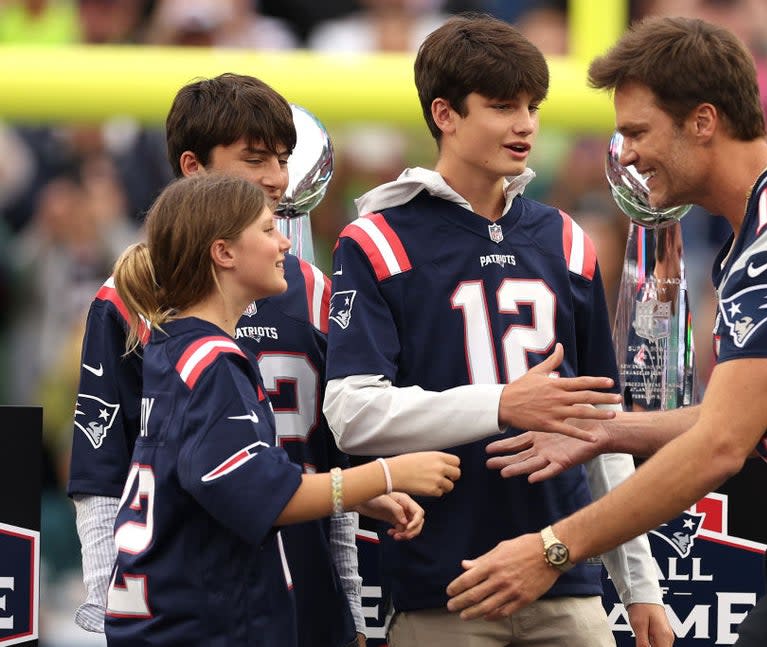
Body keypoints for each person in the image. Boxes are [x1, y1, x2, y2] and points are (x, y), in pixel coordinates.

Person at [445, 16, 767, 647]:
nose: (627, 153)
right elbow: (738, 416)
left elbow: (722, 444)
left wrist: (553, 548)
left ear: (703, 121)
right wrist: (606, 432)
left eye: (637, 131)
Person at [322, 13, 672, 647]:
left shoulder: (566, 238)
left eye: (533, 106)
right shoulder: (376, 238)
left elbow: (601, 424)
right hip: (445, 589)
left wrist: (639, 582)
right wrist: (504, 403)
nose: (526, 124)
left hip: (563, 577)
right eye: (503, 105)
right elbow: (350, 413)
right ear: (445, 114)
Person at [67, 73, 369, 647]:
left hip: (300, 589)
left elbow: (330, 457)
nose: (277, 179)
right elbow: (106, 472)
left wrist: (349, 601)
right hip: (193, 598)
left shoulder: (313, 290)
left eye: (282, 159)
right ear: (193, 167)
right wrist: (109, 605)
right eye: (255, 159)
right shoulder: (126, 298)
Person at [100, 172, 459, 645]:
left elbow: (211, 483)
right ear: (224, 253)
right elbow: (264, 498)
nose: (285, 245)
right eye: (268, 230)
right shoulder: (213, 362)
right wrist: (387, 475)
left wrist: (358, 495)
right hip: (205, 626)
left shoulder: (176, 349)